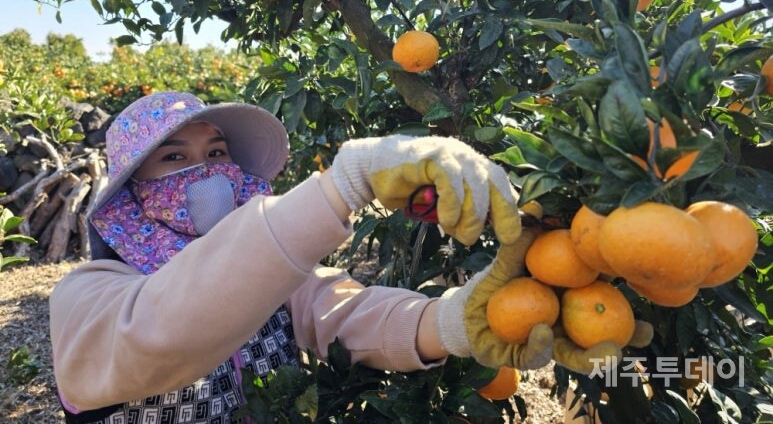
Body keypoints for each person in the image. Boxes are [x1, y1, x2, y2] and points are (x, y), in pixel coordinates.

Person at [49, 91, 644, 423]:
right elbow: (162, 330)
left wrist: (458, 321)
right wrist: (343, 184)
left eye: (218, 151)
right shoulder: (88, 296)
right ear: (131, 192)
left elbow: (346, 312)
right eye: (174, 159)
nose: (208, 172)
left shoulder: (278, 277)